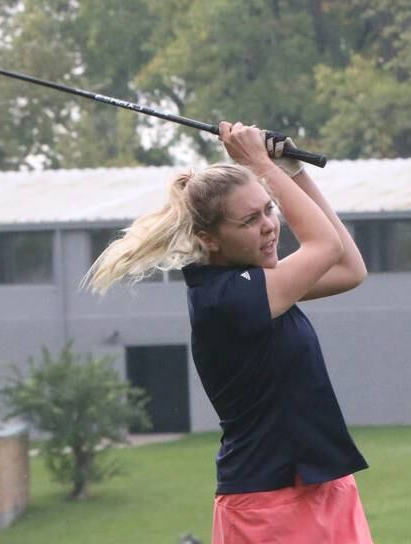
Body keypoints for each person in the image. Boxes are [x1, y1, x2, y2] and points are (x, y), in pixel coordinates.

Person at [86, 121, 373, 543]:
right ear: (210, 238)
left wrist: (292, 173)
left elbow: (350, 269)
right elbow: (324, 246)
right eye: (249, 220)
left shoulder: (261, 283)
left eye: (269, 210)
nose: (269, 226)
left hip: (324, 485)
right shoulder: (224, 300)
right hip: (269, 505)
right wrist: (261, 164)